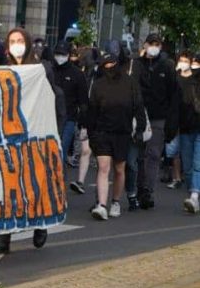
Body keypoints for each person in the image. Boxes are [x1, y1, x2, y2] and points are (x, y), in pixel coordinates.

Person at [0, 27, 62, 255]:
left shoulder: (42, 69)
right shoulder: (3, 71)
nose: (16, 44)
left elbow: (52, 98)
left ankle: (40, 224)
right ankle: (4, 239)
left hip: (35, 132)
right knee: (8, 186)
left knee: (35, 181)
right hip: (10, 134)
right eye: (12, 41)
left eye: (20, 40)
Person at [85, 40, 147, 221]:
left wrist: (140, 129)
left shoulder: (130, 83)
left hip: (123, 132)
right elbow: (92, 111)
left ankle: (116, 201)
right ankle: (102, 205)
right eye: (105, 64)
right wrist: (91, 133)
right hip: (102, 132)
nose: (109, 67)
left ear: (118, 63)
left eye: (112, 63)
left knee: (120, 169)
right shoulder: (98, 85)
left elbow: (139, 106)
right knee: (103, 168)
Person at [126, 33, 178, 210]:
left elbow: (173, 95)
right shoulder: (136, 65)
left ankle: (148, 190)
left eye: (157, 44)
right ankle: (138, 188)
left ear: (161, 46)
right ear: (145, 45)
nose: (154, 46)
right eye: (151, 43)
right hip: (138, 116)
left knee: (154, 155)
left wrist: (172, 122)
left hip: (158, 117)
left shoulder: (167, 66)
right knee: (138, 157)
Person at [51, 40, 87, 167]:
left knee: (61, 150)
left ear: (68, 55)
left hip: (68, 118)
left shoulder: (77, 74)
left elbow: (83, 100)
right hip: (49, 117)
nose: (60, 57)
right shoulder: (48, 71)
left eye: (63, 54)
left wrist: (83, 124)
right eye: (58, 54)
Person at [172, 52, 200, 214]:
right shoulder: (182, 81)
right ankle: (193, 192)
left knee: (197, 164)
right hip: (185, 128)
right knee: (188, 166)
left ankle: (194, 195)